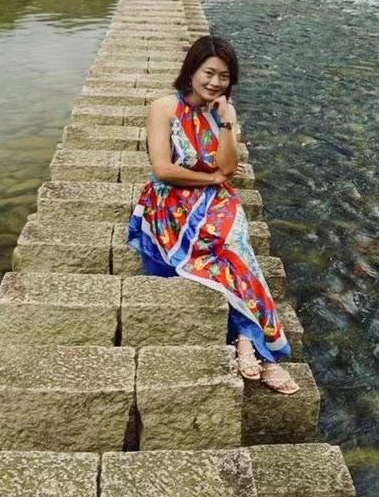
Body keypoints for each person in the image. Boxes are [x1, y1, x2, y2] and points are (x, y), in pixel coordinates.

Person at [128, 35, 299, 393]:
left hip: (215, 197)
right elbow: (163, 169)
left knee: (235, 244)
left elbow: (227, 166)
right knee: (226, 253)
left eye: (224, 77)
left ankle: (250, 343)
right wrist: (213, 179)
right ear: (191, 70)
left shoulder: (221, 115)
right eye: (209, 73)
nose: (214, 82)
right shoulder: (164, 107)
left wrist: (227, 125)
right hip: (169, 203)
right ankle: (257, 346)